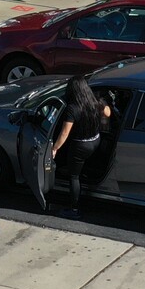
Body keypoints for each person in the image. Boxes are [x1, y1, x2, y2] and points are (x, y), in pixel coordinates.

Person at [49, 74, 111, 215]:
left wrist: (55, 148)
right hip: (95, 140)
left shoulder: (72, 108)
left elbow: (65, 133)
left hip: (80, 146)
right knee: (81, 167)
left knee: (74, 177)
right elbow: (107, 114)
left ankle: (74, 209)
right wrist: (103, 102)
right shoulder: (94, 101)